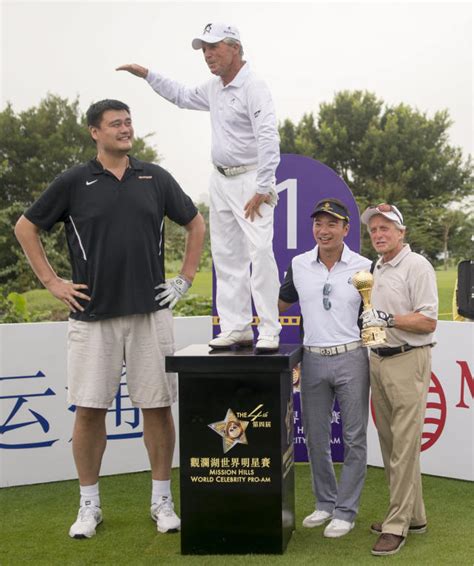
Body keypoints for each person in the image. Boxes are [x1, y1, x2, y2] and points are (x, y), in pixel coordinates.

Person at [14, 99, 205, 539]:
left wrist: (186, 276)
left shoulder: (153, 177)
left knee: (156, 408)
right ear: (94, 133)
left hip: (150, 313)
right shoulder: (74, 181)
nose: (125, 129)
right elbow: (26, 228)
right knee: (89, 411)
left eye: (128, 122)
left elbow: (195, 223)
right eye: (115, 124)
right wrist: (53, 282)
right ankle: (89, 506)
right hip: (92, 315)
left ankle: (162, 502)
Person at [116, 22, 281, 352]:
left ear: (234, 47)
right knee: (226, 255)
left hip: (252, 181)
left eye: (214, 47)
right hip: (220, 179)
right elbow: (181, 95)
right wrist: (148, 74)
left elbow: (268, 137)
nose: (207, 54)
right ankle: (236, 327)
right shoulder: (214, 87)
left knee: (260, 253)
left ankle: (269, 329)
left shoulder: (254, 87)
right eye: (204, 49)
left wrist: (263, 186)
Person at [279, 199, 371, 538]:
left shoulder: (364, 266)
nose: (324, 230)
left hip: (352, 356)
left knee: (353, 437)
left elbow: (374, 311)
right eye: (318, 223)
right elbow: (279, 300)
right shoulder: (300, 264)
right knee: (316, 437)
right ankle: (325, 503)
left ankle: (346, 511)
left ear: (346, 229)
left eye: (332, 224)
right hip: (313, 359)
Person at [360, 203, 438, 556]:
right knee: (393, 445)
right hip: (379, 360)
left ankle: (396, 525)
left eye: (385, 229)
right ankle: (416, 517)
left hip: (408, 360)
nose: (378, 235)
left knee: (403, 449)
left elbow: (427, 321)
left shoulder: (416, 264)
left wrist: (387, 319)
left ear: (401, 233)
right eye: (374, 230)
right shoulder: (377, 266)